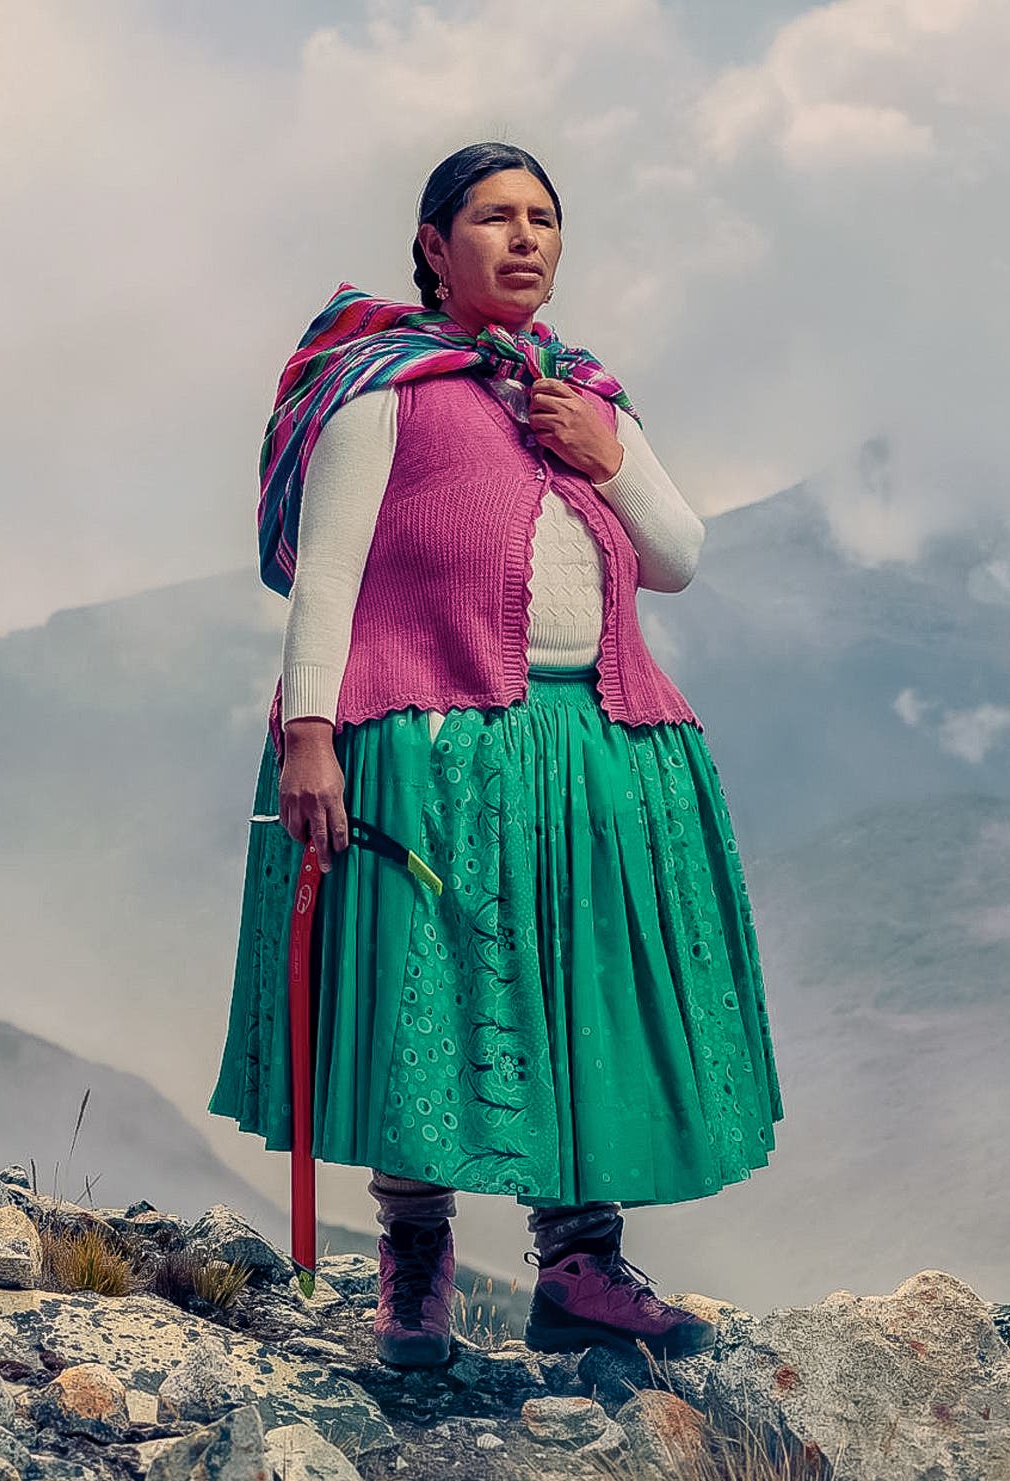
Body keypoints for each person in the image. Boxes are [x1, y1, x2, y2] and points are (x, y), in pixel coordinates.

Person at [208, 141, 784, 1370]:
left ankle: (579, 1266)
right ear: (432, 244)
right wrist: (310, 734)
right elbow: (328, 576)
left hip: (597, 741)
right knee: (440, 996)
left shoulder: (583, 393)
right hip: (435, 740)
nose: (524, 240)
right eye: (492, 218)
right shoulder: (381, 393)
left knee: (583, 999)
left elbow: (675, 554)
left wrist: (605, 453)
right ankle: (414, 1270)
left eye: (544, 219)